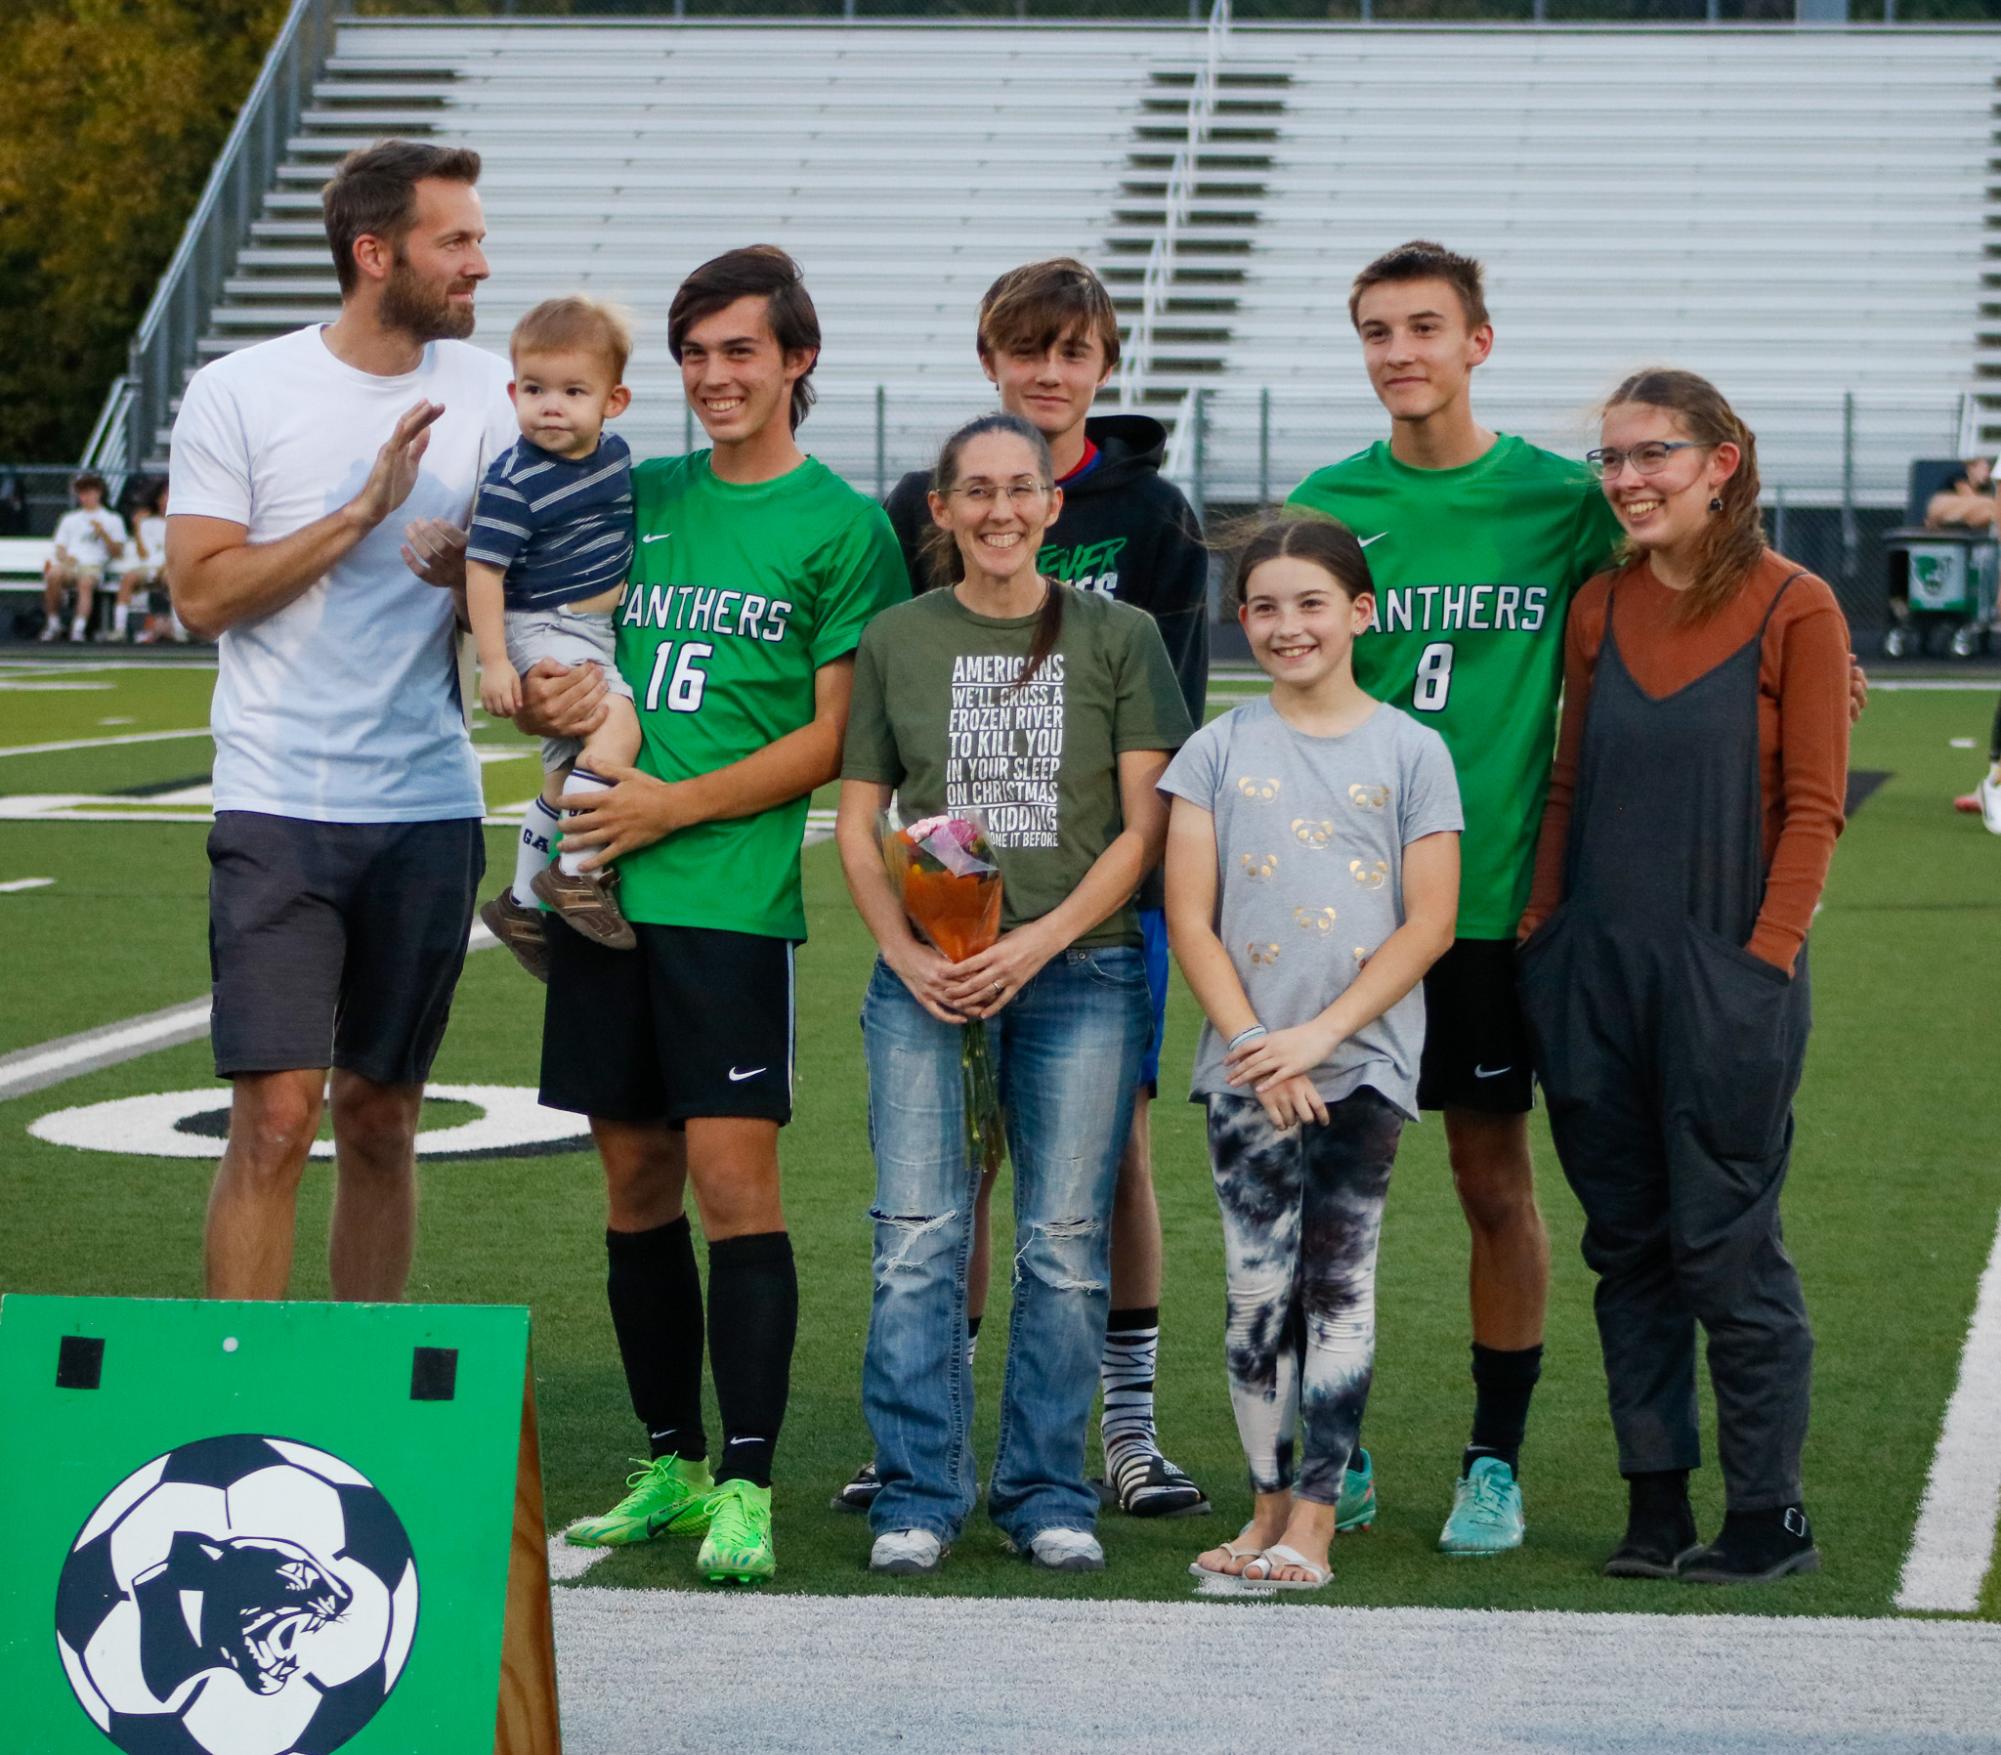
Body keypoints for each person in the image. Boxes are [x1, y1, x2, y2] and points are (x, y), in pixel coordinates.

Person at [544, 247, 907, 1587]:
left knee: (731, 1182)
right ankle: (670, 1459)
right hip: (597, 888)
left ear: (796, 360)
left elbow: (830, 738)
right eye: (694, 355)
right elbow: (553, 635)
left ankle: (747, 1480)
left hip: (726, 899)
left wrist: (671, 807)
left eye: (739, 351)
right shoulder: (636, 494)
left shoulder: (841, 524)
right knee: (633, 1178)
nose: (714, 378)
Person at [836, 256, 1213, 1522]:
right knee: (958, 1170)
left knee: (1110, 1166)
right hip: (950, 889)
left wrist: (1083, 911)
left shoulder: (1152, 517)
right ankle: (928, 1431)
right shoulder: (916, 506)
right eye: (1026, 350)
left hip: (1098, 895)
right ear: (991, 359)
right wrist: (926, 894)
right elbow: (902, 698)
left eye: (1073, 352)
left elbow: (1169, 733)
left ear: (1103, 365)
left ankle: (1121, 1424)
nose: (1049, 373)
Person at [1284, 240, 1623, 1554]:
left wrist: (1804, 651)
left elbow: (1685, 577)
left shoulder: (1557, 498)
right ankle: (1338, 1449)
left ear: (1478, 341)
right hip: (1346, 907)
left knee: (1491, 1177)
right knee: (1336, 1189)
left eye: (1423, 326)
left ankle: (1493, 1460)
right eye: (1375, 330)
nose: (1397, 352)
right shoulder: (1326, 499)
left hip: (1486, 909)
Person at [167, 139, 516, 1300]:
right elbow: (202, 592)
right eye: (454, 240)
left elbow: (538, 599)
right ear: (376, 255)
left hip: (426, 802)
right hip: (277, 803)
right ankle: (236, 1407)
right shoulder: (240, 389)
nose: (479, 261)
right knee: (273, 1117)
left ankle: (353, 1409)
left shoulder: (494, 391)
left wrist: (476, 579)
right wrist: (363, 512)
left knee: (380, 1115)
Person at [1517, 368, 1849, 1585]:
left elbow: (1815, 811)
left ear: (1722, 462)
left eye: (1653, 454)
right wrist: (1548, 931)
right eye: (1613, 460)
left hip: (1727, 981)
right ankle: (1654, 1506)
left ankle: (1768, 1517)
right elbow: (1564, 783)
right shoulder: (1600, 607)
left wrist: (1762, 967)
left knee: (1727, 1248)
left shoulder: (1796, 607)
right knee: (1629, 1247)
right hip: (1593, 974)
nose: (1628, 480)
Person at [1165, 513, 1459, 1591]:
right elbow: (1189, 915)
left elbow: (1429, 921)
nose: (1289, 627)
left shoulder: (1413, 750)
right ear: (1241, 620)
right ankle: (1263, 1506)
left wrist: (1318, 1040)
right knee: (1253, 1293)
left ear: (1360, 613)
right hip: (1245, 1069)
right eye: (1267, 607)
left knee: (1336, 1289)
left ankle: (1318, 1520)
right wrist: (1255, 1041)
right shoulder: (1216, 748)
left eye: (1312, 604)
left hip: (1361, 1066)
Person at [468, 296, 642, 977]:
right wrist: (493, 662)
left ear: (614, 401)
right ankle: (573, 874)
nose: (551, 407)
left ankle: (517, 899)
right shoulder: (514, 482)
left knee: (566, 772)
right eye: (535, 390)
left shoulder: (615, 456)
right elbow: (482, 570)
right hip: (546, 621)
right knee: (618, 733)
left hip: (588, 626)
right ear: (513, 392)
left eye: (574, 392)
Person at [41, 472, 128, 643]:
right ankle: (53, 624)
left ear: (98, 492)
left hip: (93, 566)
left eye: (89, 491)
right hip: (72, 565)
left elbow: (117, 552)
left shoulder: (111, 519)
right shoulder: (70, 519)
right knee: (53, 575)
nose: (85, 496)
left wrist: (103, 534)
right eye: (82, 492)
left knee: (85, 582)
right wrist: (66, 559)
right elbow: (60, 547)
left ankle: (78, 628)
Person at [113, 480, 172, 643]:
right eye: (164, 495)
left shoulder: (180, 524)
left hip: (170, 569)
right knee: (128, 579)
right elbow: (143, 554)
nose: (167, 500)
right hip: (148, 568)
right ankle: (119, 628)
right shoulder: (147, 523)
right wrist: (137, 526)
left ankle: (179, 631)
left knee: (172, 579)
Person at [1924, 456, 1997, 530]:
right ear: (1971, 468)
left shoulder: (1984, 487)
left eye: (1988, 470)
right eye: (1984, 469)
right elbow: (1970, 498)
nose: (1987, 474)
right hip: (1940, 506)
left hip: (1959, 518)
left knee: (1988, 511)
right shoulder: (1959, 476)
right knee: (1988, 503)